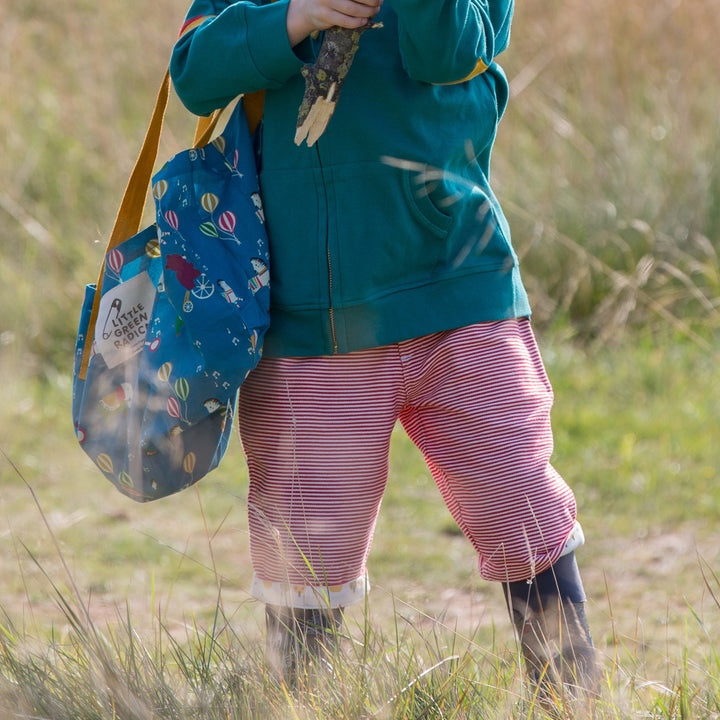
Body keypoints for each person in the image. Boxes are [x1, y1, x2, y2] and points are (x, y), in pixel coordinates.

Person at [170, 0, 599, 697]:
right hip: (313, 313)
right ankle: (294, 705)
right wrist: (295, 17)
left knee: (518, 498)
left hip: (459, 287)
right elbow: (195, 72)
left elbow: (447, 52)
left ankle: (574, 704)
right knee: (310, 541)